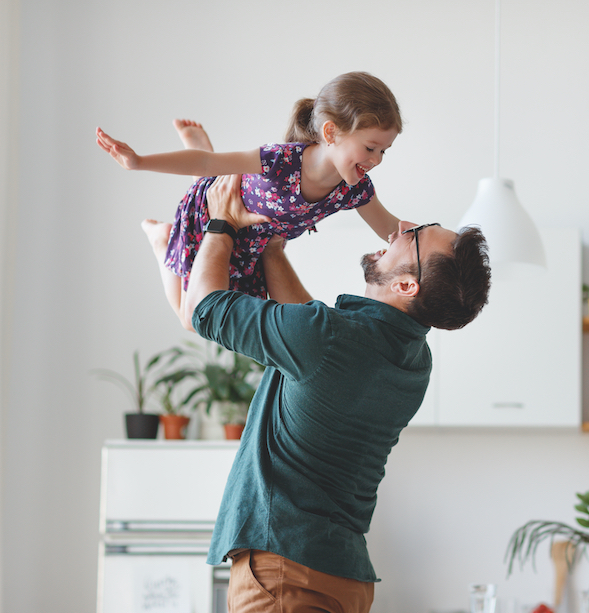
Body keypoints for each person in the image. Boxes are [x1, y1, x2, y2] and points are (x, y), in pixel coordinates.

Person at [184, 172, 491, 613]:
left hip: (285, 573)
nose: (403, 227)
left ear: (407, 285)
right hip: (342, 578)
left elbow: (203, 307)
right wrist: (271, 248)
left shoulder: (328, 338)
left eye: (417, 236)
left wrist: (221, 223)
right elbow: (311, 338)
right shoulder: (412, 360)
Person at [96, 71, 404, 330]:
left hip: (252, 248)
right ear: (331, 132)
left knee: (215, 319)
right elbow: (204, 162)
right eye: (370, 148)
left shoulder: (355, 189)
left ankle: (204, 169)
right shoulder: (280, 161)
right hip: (211, 218)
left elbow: (392, 228)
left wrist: (447, 242)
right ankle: (161, 239)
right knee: (192, 320)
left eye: (384, 151)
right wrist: (138, 161)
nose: (376, 160)